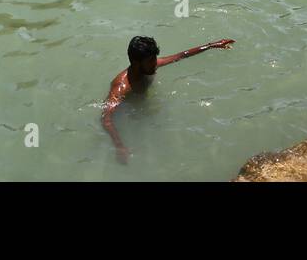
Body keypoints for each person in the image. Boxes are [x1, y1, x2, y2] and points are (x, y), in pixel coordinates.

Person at [101, 35, 235, 164]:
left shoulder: (149, 65)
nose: (156, 64)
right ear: (136, 63)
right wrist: (119, 146)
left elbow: (181, 56)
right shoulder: (122, 87)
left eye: (155, 59)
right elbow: (106, 119)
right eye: (151, 61)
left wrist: (212, 45)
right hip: (133, 113)